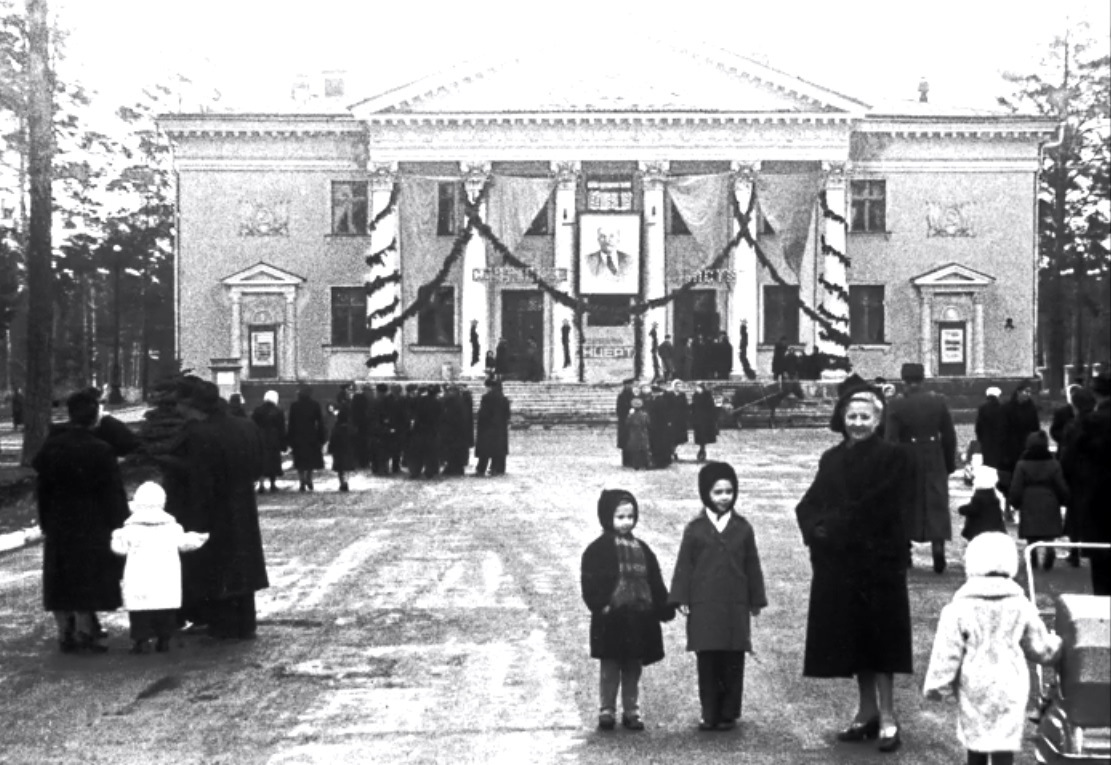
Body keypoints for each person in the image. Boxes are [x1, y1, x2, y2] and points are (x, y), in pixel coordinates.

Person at [795, 376, 912, 753]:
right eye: (852, 417)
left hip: (879, 562)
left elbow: (880, 505)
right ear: (842, 419)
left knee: (883, 642)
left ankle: (889, 715)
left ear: (878, 421)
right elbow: (810, 503)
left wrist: (832, 526)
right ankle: (866, 711)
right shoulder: (831, 459)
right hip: (842, 563)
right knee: (855, 638)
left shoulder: (894, 458)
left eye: (865, 417)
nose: (858, 423)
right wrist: (816, 529)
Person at [923, 532, 1062, 765]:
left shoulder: (959, 607)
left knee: (975, 742)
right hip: (1011, 681)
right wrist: (1058, 646)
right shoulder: (1021, 604)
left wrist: (937, 684)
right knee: (1003, 744)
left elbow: (946, 651)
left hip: (974, 682)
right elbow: (1039, 647)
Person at [162, 378, 268, 639]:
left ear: (192, 405)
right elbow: (259, 465)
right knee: (241, 565)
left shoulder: (199, 434)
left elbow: (198, 478)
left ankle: (220, 623)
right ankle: (244, 622)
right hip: (243, 505)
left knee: (216, 567)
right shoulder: (246, 425)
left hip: (211, 509)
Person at [669, 461, 767, 732]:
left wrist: (756, 599)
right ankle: (709, 712)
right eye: (718, 492)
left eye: (729, 491)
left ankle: (728, 713)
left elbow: (752, 564)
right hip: (705, 605)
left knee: (733, 659)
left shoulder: (743, 528)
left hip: (735, 605)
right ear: (705, 493)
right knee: (708, 660)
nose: (724, 497)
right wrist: (681, 597)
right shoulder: (695, 529)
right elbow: (684, 565)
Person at [32, 389, 130, 653]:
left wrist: (45, 521)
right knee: (86, 577)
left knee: (59, 577)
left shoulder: (52, 446)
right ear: (95, 418)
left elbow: (42, 489)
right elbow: (113, 493)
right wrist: (120, 523)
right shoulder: (102, 450)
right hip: (92, 523)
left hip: (58, 520)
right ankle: (85, 631)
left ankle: (64, 631)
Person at [580, 489, 675, 731]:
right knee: (610, 666)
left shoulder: (642, 549)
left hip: (638, 619)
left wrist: (664, 606)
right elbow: (589, 581)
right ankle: (607, 709)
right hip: (611, 619)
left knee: (633, 666)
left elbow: (654, 580)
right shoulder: (597, 550)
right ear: (607, 517)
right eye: (620, 517)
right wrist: (600, 605)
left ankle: (631, 709)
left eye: (630, 517)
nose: (626, 522)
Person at [110, 482, 208, 654]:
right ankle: (164, 641)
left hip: (139, 580)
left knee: (139, 613)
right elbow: (185, 543)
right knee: (165, 611)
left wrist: (115, 537)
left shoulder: (130, 529)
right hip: (166, 580)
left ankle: (141, 641)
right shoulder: (173, 528)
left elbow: (120, 549)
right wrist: (199, 538)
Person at [885, 362, 957, 573]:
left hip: (907, 456)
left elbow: (890, 439)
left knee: (905, 501)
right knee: (936, 501)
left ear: (903, 380)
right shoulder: (938, 401)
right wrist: (948, 463)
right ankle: (938, 546)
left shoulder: (896, 404)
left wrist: (890, 466)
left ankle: (905, 550)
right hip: (934, 455)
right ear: (923, 379)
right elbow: (949, 435)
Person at [1060, 371, 1111, 594]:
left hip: (1095, 495)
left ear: (1096, 395)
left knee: (1100, 561)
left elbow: (1069, 460)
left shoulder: (1088, 424)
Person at [1009, 430, 1068, 570]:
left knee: (1031, 533)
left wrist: (1015, 502)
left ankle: (1032, 555)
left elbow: (1016, 486)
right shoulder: (1054, 464)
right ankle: (1049, 551)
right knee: (1049, 532)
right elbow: (1060, 485)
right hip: (1049, 499)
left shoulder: (1022, 464)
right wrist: (1064, 499)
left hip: (1029, 500)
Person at [998, 381, 1041, 520]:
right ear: (1018, 392)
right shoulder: (1007, 408)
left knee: (1026, 480)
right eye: (1025, 391)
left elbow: (1035, 428)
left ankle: (1023, 509)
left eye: (1030, 392)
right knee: (1008, 481)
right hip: (1010, 450)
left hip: (1026, 449)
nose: (1028, 394)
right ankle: (1007, 507)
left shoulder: (1031, 409)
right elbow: (1002, 430)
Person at [287, 385, 326, 491]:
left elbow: (291, 423)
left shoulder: (294, 406)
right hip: (311, 435)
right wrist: (321, 437)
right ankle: (309, 477)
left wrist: (289, 438)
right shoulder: (315, 405)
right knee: (310, 459)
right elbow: (320, 422)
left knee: (299, 460)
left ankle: (302, 480)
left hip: (298, 435)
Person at [958, 465, 1007, 542]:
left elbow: (973, 509)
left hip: (980, 531)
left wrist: (961, 509)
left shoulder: (979, 496)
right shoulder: (993, 496)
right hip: (995, 529)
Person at [251, 390, 287, 493]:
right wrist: (283, 443)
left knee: (261, 462)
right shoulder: (278, 411)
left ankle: (261, 484)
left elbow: (252, 424)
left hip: (260, 438)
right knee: (273, 462)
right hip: (274, 439)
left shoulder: (258, 410)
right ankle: (272, 484)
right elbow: (281, 428)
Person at [474, 379, 510, 476]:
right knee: (497, 449)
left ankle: (481, 469)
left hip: (487, 428)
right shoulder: (504, 399)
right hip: (499, 428)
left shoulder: (486, 398)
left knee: (484, 450)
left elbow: (483, 413)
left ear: (490, 387)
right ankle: (496, 468)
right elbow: (507, 414)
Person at [583, 225, 633, 289]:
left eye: (611, 236)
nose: (607, 240)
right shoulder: (586, 261)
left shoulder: (630, 260)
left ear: (618, 240)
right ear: (598, 240)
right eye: (603, 236)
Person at [327, 405, 357, 492]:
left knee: (340, 469)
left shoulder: (336, 428)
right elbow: (354, 439)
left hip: (338, 451)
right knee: (347, 468)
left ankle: (342, 483)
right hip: (348, 450)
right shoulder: (350, 428)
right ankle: (346, 481)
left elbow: (332, 439)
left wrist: (331, 448)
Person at [690, 382, 717, 462]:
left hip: (706, 419)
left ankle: (702, 450)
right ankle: (701, 449)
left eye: (698, 387)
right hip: (697, 418)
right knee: (699, 435)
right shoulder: (695, 395)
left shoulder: (707, 395)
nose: (697, 389)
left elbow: (711, 406)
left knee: (704, 435)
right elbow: (694, 406)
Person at [623, 397, 650, 470]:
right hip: (643, 433)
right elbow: (648, 423)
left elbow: (627, 423)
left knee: (635, 450)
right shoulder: (645, 415)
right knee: (644, 449)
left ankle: (636, 465)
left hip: (634, 434)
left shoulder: (631, 416)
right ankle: (646, 464)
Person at [615, 378, 635, 467]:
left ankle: (632, 459)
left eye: (631, 385)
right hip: (624, 422)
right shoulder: (621, 396)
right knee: (625, 441)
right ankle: (625, 460)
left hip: (633, 422)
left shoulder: (633, 395)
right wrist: (626, 415)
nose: (630, 386)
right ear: (625, 385)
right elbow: (619, 410)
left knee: (632, 440)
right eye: (629, 385)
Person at [669, 380, 690, 462]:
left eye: (680, 386)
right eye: (677, 386)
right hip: (671, 419)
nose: (678, 388)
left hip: (680, 420)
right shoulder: (669, 395)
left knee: (679, 437)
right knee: (671, 437)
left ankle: (673, 451)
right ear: (674, 387)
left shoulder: (682, 395)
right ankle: (672, 452)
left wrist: (686, 417)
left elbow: (685, 406)